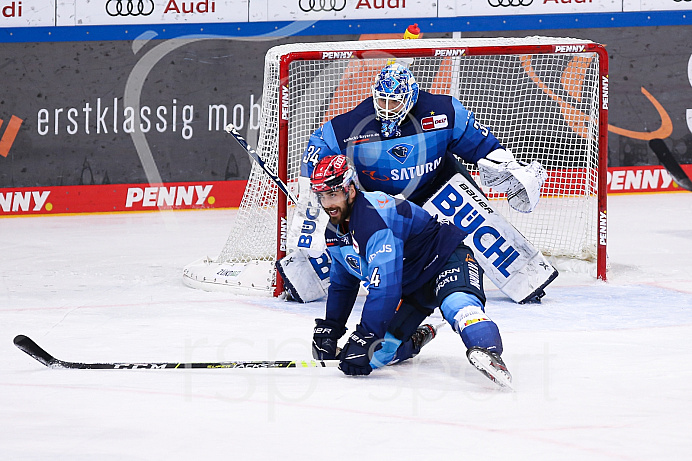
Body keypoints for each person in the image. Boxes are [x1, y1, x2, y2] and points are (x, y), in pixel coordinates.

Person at [280, 62, 547, 304]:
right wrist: (311, 217)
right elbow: (318, 161)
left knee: (475, 220)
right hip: (380, 200)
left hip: (438, 188)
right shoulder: (347, 127)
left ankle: (526, 275)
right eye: (381, 99)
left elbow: (482, 147)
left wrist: (507, 167)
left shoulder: (446, 112)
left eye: (394, 102)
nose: (386, 108)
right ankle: (303, 278)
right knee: (343, 229)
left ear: (411, 96)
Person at [309, 154, 512, 387]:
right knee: (375, 357)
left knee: (458, 306)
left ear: (350, 190)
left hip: (444, 259)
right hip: (411, 285)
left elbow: (385, 289)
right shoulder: (334, 233)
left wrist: (366, 335)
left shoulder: (374, 218)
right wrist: (331, 329)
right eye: (322, 196)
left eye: (332, 195)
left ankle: (490, 353)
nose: (327, 205)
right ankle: (418, 337)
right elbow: (343, 283)